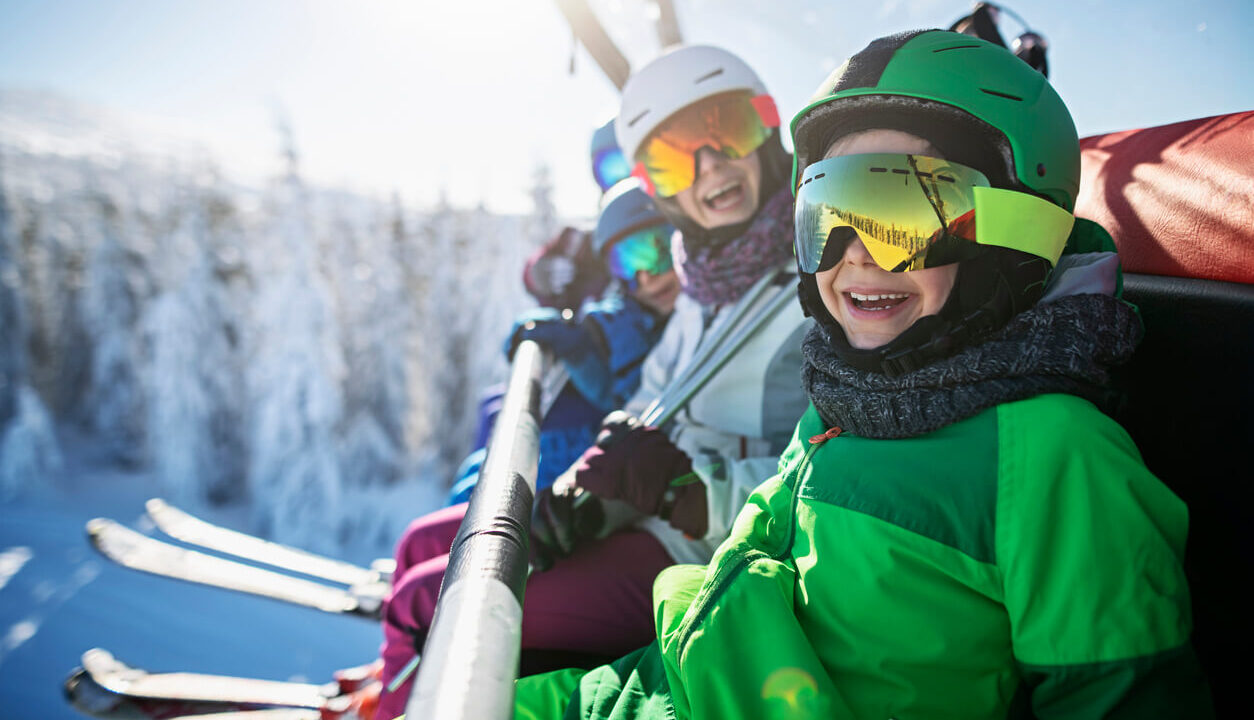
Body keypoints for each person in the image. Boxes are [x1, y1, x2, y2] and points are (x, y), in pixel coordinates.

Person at [513, 30, 1212, 720]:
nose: (856, 255)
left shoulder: (1055, 454)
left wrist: (684, 497)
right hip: (669, 677)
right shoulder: (848, 393)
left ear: (1015, 227)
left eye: (903, 213)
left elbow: (1118, 693)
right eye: (828, 212)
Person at [376, 43, 810, 719]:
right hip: (648, 518)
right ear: (657, 183)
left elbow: (825, 464)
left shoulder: (818, 277)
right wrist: (592, 485)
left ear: (766, 126)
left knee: (433, 605)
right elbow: (652, 397)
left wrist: (690, 492)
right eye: (673, 155)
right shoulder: (704, 273)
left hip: (707, 547)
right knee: (427, 549)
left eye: (727, 128)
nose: (711, 164)